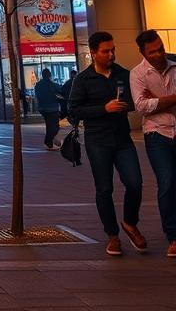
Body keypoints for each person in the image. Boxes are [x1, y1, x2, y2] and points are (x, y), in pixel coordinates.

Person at [68, 31, 144, 257]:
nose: (111, 54)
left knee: (135, 184)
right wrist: (104, 109)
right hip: (97, 140)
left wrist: (127, 105)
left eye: (113, 50)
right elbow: (73, 111)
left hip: (122, 138)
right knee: (104, 189)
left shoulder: (123, 74)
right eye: (105, 51)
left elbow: (134, 100)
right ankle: (112, 236)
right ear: (93, 53)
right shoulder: (82, 80)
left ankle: (130, 223)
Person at [130, 29, 176, 258]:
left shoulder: (175, 66)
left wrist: (157, 101)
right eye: (153, 51)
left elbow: (150, 104)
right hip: (156, 134)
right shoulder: (137, 74)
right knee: (166, 182)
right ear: (143, 53)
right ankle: (173, 237)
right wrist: (173, 100)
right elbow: (141, 107)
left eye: (160, 48)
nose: (158, 53)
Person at [34, 68, 63, 149]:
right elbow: (61, 91)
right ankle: (48, 141)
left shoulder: (38, 85)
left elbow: (38, 95)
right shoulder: (52, 84)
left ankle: (49, 141)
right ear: (50, 75)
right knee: (54, 126)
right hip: (52, 108)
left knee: (49, 125)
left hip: (43, 108)